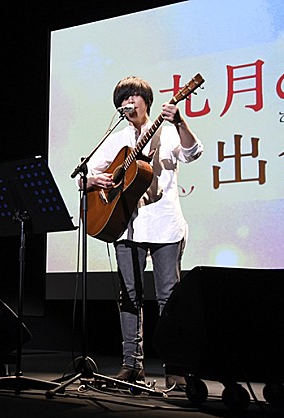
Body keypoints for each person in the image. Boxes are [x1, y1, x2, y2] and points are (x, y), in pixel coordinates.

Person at [79, 76, 203, 389]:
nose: (127, 103)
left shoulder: (167, 130)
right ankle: (131, 365)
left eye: (133, 97)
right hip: (126, 224)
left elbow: (193, 152)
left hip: (164, 224)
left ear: (146, 101)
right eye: (122, 99)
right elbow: (86, 176)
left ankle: (175, 367)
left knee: (168, 298)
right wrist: (93, 182)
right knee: (129, 297)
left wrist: (181, 121)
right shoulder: (117, 138)